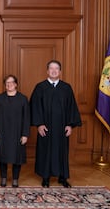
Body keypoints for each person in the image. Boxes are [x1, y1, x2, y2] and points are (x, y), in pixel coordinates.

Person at [30, 59, 82, 188]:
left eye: (56, 69)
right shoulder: (40, 87)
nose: (54, 71)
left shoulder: (66, 88)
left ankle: (62, 177)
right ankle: (45, 177)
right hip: (46, 127)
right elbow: (35, 107)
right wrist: (39, 124)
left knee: (62, 151)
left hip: (61, 127)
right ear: (47, 71)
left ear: (60, 71)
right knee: (45, 151)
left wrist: (70, 125)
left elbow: (71, 107)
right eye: (51, 68)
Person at [0, 75, 30, 188]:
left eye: (12, 82)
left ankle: (15, 178)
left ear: (16, 84)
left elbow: (26, 118)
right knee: (2, 156)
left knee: (17, 157)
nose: (9, 85)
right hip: (2, 132)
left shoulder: (23, 99)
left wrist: (25, 134)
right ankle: (3, 177)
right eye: (7, 83)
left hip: (18, 132)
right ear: (5, 85)